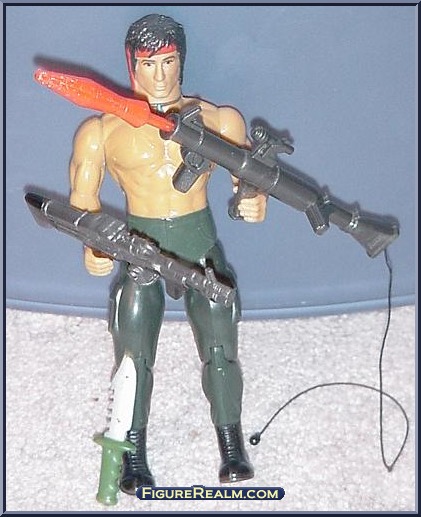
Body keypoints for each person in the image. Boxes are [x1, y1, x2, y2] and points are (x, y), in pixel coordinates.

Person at [69, 13, 267, 497]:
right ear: (132, 64)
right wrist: (93, 245)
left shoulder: (219, 120)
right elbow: (82, 203)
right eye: (148, 63)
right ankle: (133, 451)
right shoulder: (102, 130)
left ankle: (230, 442)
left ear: (182, 61)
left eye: (168, 61)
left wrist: (253, 200)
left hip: (200, 245)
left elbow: (250, 179)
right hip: (141, 249)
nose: (159, 74)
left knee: (221, 348)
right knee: (133, 355)